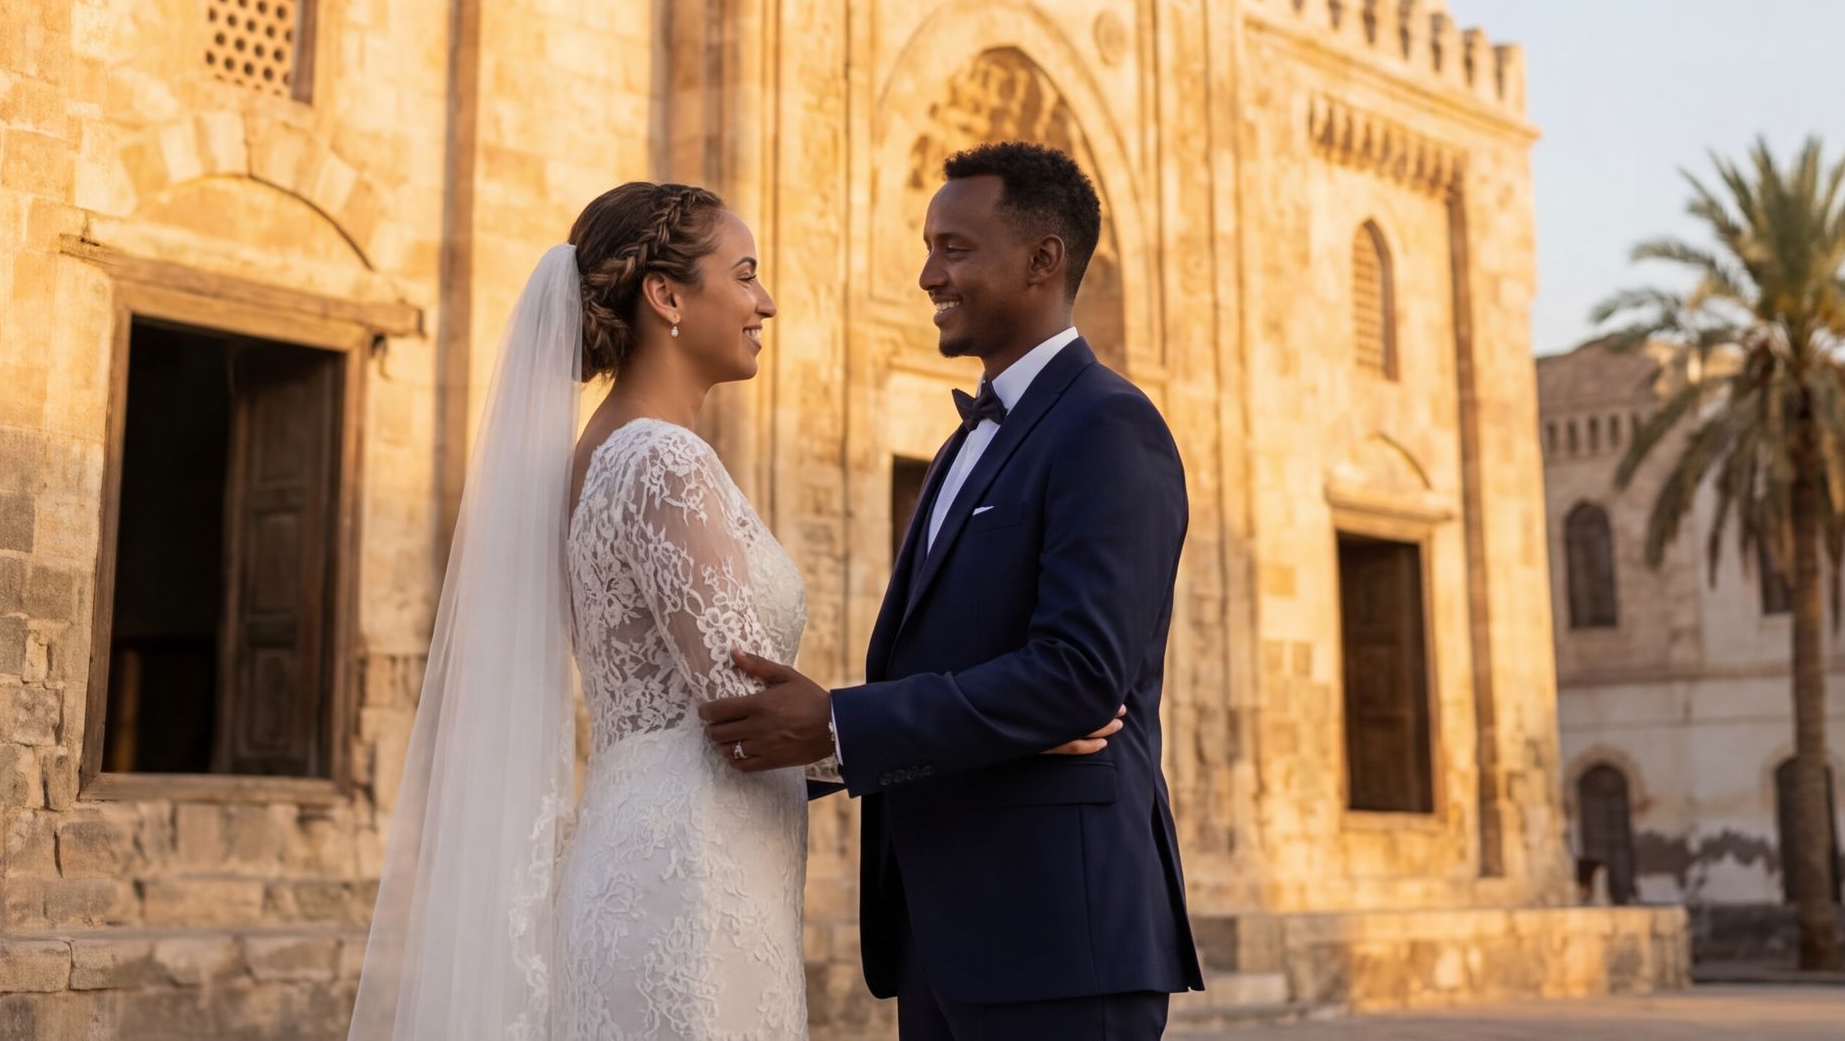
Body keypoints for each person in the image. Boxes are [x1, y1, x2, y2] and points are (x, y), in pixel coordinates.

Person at [347, 179, 1122, 1040]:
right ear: (667, 295)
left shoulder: (607, 450)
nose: (767, 301)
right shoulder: (658, 461)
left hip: (674, 842)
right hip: (690, 874)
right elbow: (752, 717)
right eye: (744, 274)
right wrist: (1009, 725)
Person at [701, 142, 1203, 1039]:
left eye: (955, 248)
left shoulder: (1110, 426)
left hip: (1059, 934)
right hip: (944, 935)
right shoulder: (960, 448)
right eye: (931, 246)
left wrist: (841, 724)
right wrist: (794, 745)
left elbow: (1081, 675)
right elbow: (949, 666)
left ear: (1043, 260)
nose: (929, 273)